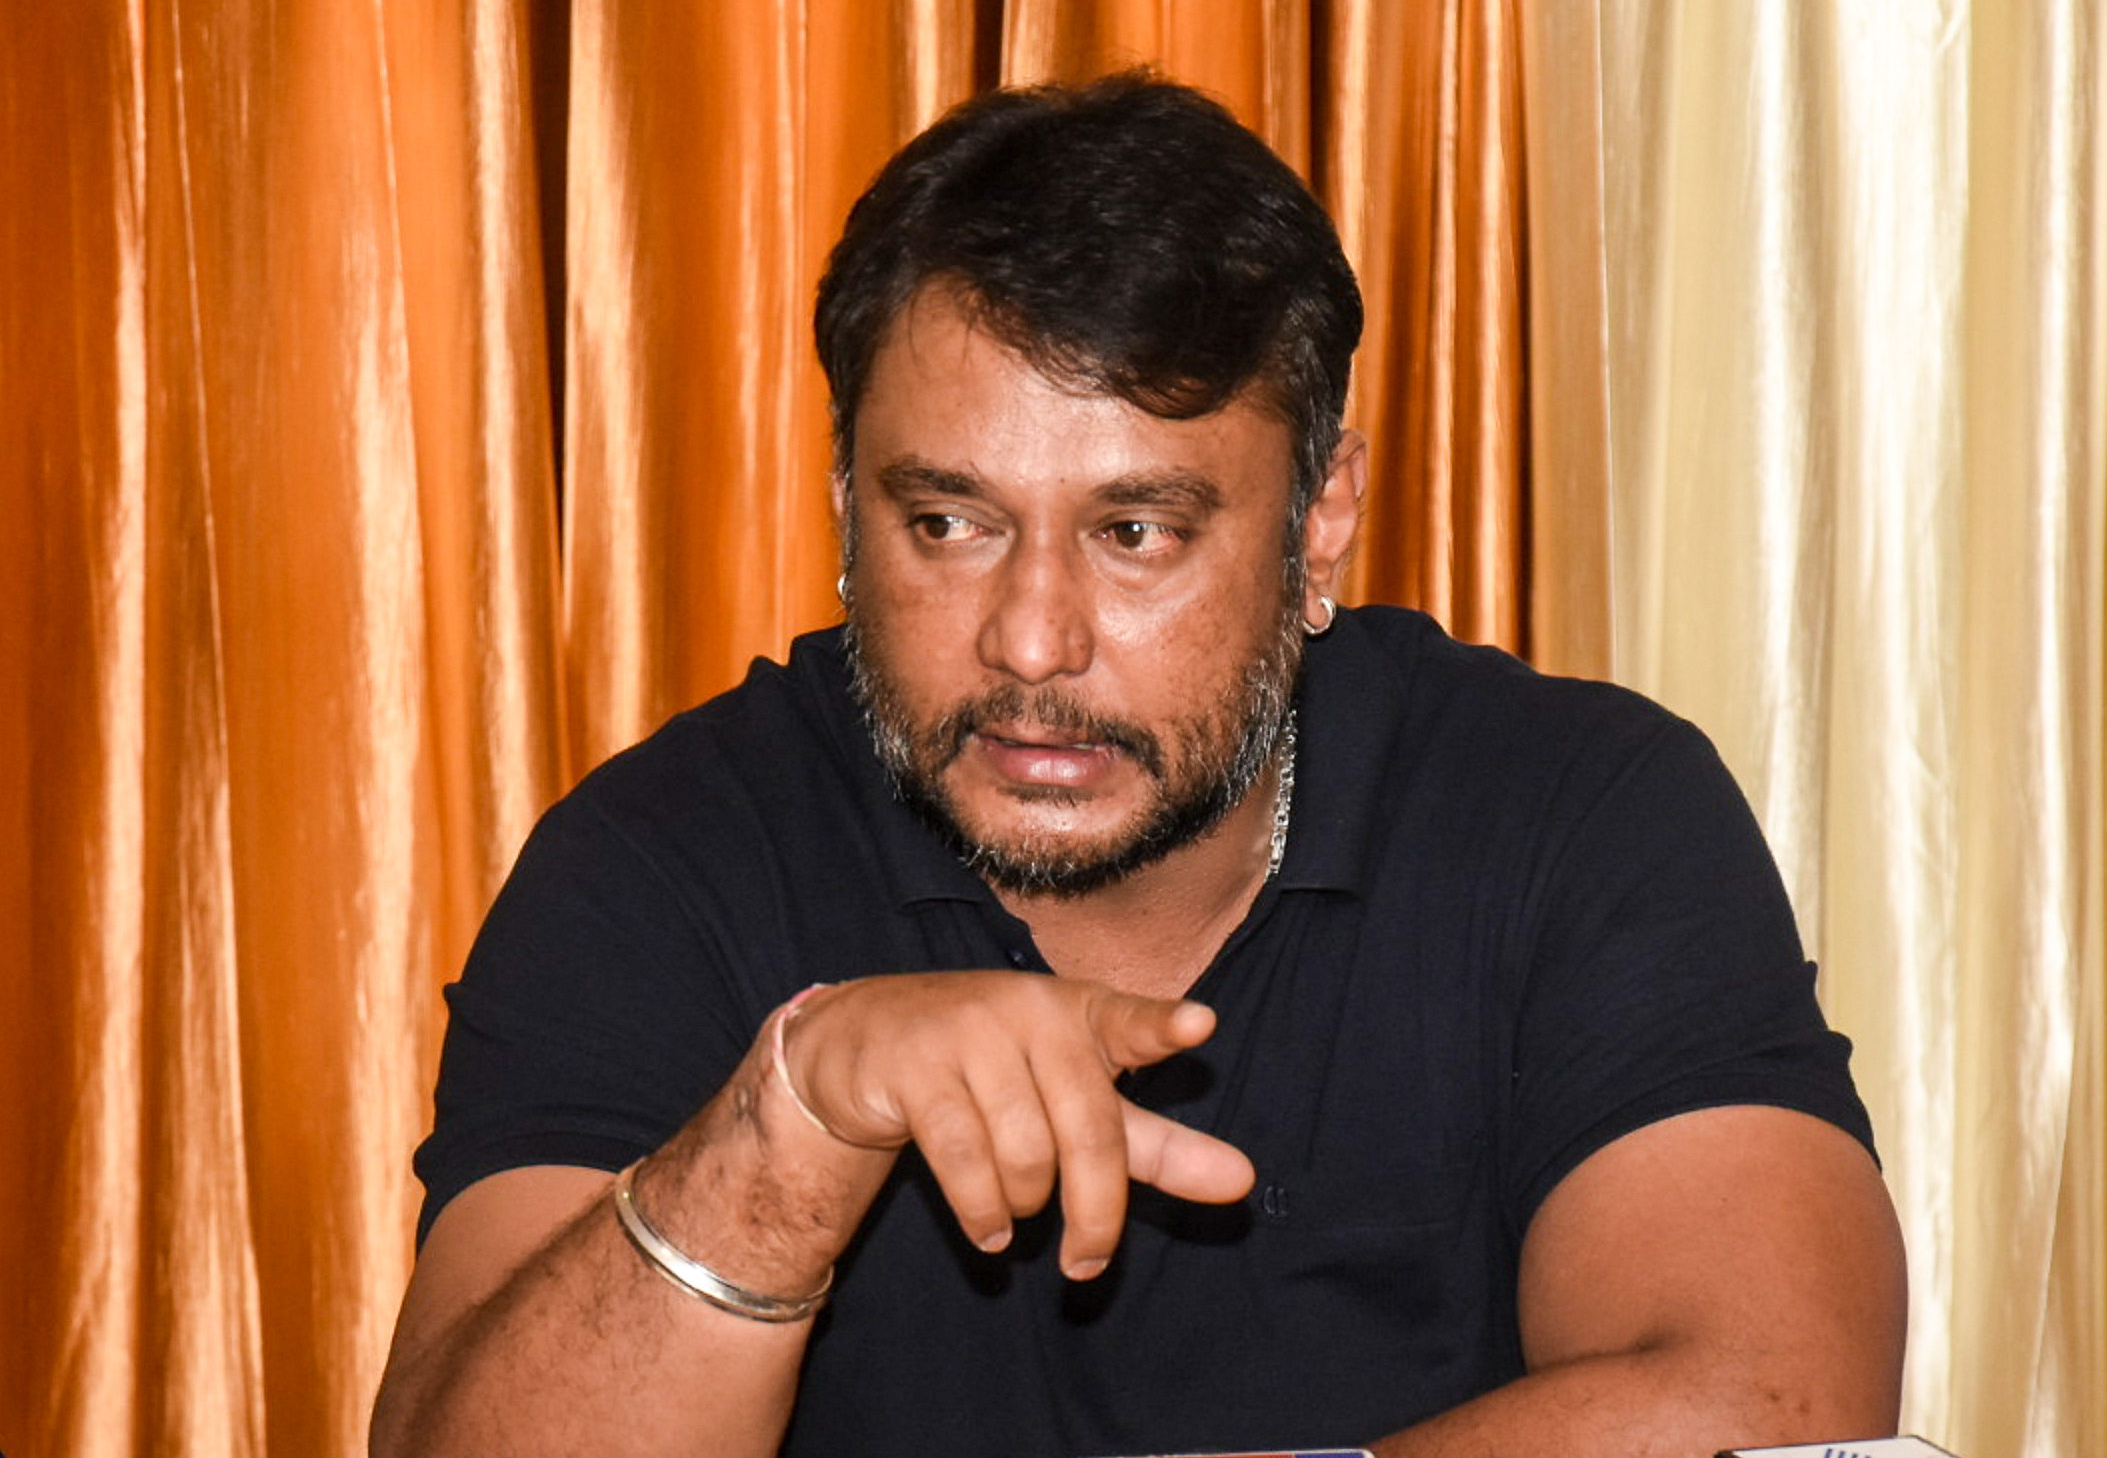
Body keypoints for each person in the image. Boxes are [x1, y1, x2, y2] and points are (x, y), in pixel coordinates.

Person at [369, 72, 1906, 1458]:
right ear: (844, 502)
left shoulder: (1579, 813)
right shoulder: (662, 859)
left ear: (1320, 520)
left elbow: (1777, 1407)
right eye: (948, 522)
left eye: (1136, 532)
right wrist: (784, 1133)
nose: (1031, 640)